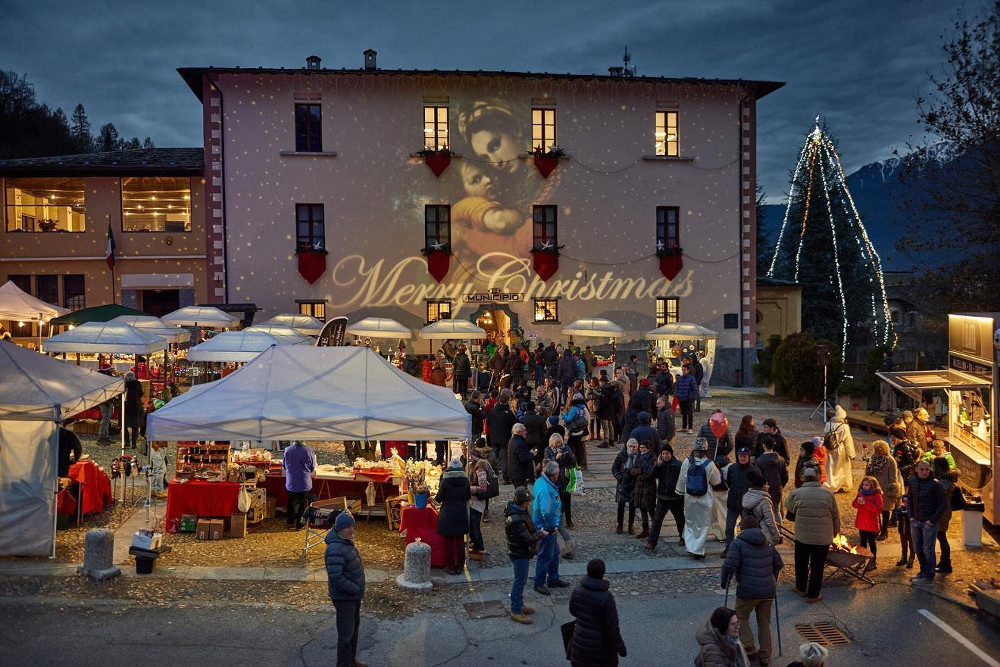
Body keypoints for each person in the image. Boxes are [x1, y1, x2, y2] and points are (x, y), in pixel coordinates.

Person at [721, 515, 783, 667]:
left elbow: (729, 566)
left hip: (748, 590)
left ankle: (748, 648)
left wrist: (724, 583)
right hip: (768, 590)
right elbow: (779, 563)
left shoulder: (738, 543)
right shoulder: (767, 542)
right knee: (764, 622)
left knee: (740, 617)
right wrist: (771, 578)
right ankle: (765, 657)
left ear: (741, 528)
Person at [785, 466, 840, 602]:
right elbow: (835, 516)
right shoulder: (828, 494)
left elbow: (789, 506)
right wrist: (835, 532)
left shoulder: (796, 493)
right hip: (822, 538)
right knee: (817, 565)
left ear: (803, 478)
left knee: (801, 563)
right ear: (818, 478)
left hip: (803, 536)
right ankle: (813, 595)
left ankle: (801, 588)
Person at [324, 511, 367, 667]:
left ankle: (351, 661)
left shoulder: (345, 541)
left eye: (352, 526)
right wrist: (354, 588)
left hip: (352, 596)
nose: (351, 530)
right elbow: (336, 577)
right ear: (339, 529)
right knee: (345, 636)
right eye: (347, 527)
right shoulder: (335, 548)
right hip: (345, 597)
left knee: (353, 631)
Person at [567, 558, 627, 666]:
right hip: (600, 650)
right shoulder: (607, 597)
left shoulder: (577, 590)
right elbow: (612, 627)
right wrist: (620, 647)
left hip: (579, 644)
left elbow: (573, 610)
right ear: (603, 573)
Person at [505, 486, 548, 624]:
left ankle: (519, 605)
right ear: (522, 502)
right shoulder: (516, 518)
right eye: (527, 501)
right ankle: (516, 610)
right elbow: (527, 539)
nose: (529, 503)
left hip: (520, 551)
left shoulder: (519, 512)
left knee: (521, 580)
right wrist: (540, 534)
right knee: (519, 581)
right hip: (519, 552)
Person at [676, 439, 722, 559]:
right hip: (704, 497)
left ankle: (690, 547)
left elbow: (681, 480)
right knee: (703, 524)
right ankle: (698, 549)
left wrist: (680, 492)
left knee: (690, 522)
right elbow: (716, 481)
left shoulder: (687, 462)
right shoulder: (709, 463)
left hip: (690, 497)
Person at [907, 459, 946, 584]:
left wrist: (932, 520)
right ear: (917, 470)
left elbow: (943, 504)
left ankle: (929, 576)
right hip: (916, 521)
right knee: (918, 548)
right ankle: (923, 571)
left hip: (928, 523)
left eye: (927, 469)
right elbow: (910, 499)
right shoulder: (913, 482)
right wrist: (911, 516)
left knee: (928, 550)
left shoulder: (935, 485)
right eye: (922, 469)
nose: (924, 472)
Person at [532, 461, 568, 593]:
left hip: (549, 525)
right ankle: (539, 582)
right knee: (545, 555)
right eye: (557, 474)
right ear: (553, 475)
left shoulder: (541, 482)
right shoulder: (546, 488)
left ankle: (553, 578)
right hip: (546, 527)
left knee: (554, 554)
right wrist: (549, 527)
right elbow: (546, 511)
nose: (558, 476)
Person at [646, 444, 685, 552]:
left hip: (675, 498)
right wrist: (656, 465)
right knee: (657, 520)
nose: (665, 456)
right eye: (663, 453)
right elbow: (651, 476)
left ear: (671, 454)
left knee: (680, 519)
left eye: (667, 453)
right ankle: (652, 541)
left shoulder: (678, 465)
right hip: (662, 497)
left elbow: (682, 480)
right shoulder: (660, 464)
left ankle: (683, 537)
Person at [436, 459, 471, 575]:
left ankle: (450, 566)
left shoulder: (445, 479)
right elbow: (468, 496)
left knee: (449, 540)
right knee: (460, 539)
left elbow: (439, 498)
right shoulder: (465, 480)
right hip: (460, 511)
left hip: (448, 512)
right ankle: (460, 566)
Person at [543, 432, 577, 555]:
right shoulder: (548, 450)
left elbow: (573, 461)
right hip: (555, 481)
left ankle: (569, 520)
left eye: (560, 442)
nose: (559, 445)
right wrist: (555, 458)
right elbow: (546, 464)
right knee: (559, 501)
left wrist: (568, 457)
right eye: (557, 443)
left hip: (566, 479)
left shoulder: (566, 447)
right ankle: (560, 518)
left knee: (568, 500)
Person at [865, 441, 899, 540]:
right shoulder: (873, 458)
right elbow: (869, 473)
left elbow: (893, 477)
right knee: (875, 510)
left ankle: (884, 530)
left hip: (885, 489)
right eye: (876, 451)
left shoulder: (891, 461)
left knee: (885, 510)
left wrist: (892, 490)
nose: (876, 454)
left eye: (879, 452)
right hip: (874, 488)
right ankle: (876, 529)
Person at [724, 447, 755, 552]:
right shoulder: (732, 468)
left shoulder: (754, 470)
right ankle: (729, 548)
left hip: (747, 505)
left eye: (745, 456)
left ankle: (746, 549)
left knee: (746, 529)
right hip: (733, 503)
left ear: (748, 457)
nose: (742, 458)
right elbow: (729, 482)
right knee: (729, 528)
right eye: (741, 456)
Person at [932, 456, 958, 575]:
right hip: (945, 511)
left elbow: (938, 495)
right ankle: (944, 562)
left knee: (941, 537)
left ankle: (946, 563)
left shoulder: (944, 481)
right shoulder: (948, 478)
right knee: (941, 536)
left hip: (942, 512)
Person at [283, 440, 317, 530]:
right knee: (303, 503)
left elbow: (284, 466)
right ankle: (300, 524)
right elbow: (312, 467)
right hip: (304, 482)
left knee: (291, 502)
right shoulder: (309, 451)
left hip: (291, 482)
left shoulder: (287, 450)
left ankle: (290, 522)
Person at [742, 467, 780, 546]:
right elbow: (769, 520)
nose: (768, 486)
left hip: (748, 532)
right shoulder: (764, 500)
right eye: (766, 484)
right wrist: (776, 536)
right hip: (763, 533)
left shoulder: (746, 496)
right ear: (761, 487)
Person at [851, 476, 883, 571]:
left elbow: (878, 509)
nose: (864, 487)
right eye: (863, 484)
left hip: (871, 523)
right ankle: (862, 559)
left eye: (867, 485)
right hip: (862, 522)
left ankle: (873, 560)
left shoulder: (877, 495)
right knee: (862, 542)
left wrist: (865, 503)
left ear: (872, 485)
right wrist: (858, 502)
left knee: (872, 542)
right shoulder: (860, 493)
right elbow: (854, 505)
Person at [755, 436, 788, 523]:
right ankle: (779, 531)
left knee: (764, 511)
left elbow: (758, 478)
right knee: (776, 511)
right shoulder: (781, 460)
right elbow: (785, 476)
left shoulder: (759, 461)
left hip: (764, 490)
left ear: (763, 446)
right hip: (777, 488)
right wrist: (781, 485)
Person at [824, 405, 856, 493]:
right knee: (840, 468)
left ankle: (829, 484)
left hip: (829, 448)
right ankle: (839, 485)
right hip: (840, 448)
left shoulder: (828, 424)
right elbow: (848, 441)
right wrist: (851, 454)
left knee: (830, 467)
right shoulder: (844, 427)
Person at [487, 389, 517, 482]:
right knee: (504, 458)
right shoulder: (508, 413)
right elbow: (514, 425)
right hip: (505, 438)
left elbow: (488, 422)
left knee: (493, 457)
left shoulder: (493, 411)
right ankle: (505, 477)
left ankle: (490, 475)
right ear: (507, 401)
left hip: (494, 437)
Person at [630, 440, 658, 539]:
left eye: (644, 447)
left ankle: (655, 530)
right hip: (640, 487)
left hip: (649, 487)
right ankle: (645, 530)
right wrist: (640, 471)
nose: (642, 449)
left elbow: (651, 473)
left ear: (649, 448)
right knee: (642, 509)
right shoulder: (639, 456)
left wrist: (640, 476)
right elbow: (632, 470)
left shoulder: (653, 458)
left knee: (651, 509)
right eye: (641, 447)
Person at [612, 439, 639, 534]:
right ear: (627, 446)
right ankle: (620, 524)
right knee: (621, 505)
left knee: (632, 506)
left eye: (634, 447)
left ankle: (630, 525)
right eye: (630, 446)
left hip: (633, 484)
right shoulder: (621, 455)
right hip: (622, 484)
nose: (632, 448)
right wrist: (620, 478)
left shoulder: (639, 457)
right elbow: (614, 468)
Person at [469, 456, 493, 561]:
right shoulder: (477, 468)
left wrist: (468, 488)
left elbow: (483, 488)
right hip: (474, 502)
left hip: (477, 502)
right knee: (472, 524)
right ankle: (476, 545)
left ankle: (480, 547)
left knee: (475, 525)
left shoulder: (480, 470)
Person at [561, 393, 589, 471]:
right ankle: (579, 464)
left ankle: (569, 464)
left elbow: (569, 419)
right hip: (581, 431)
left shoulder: (574, 408)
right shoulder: (583, 407)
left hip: (574, 432)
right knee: (578, 449)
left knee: (569, 448)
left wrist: (564, 416)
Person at [506, 423, 537, 489]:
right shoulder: (519, 443)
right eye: (524, 430)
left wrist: (529, 453)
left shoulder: (513, 440)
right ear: (520, 432)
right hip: (519, 473)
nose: (526, 432)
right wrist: (532, 454)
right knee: (522, 494)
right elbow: (523, 458)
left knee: (519, 493)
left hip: (514, 472)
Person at [123, 371, 144, 449]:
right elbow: (141, 394)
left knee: (124, 425)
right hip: (136, 408)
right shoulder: (138, 385)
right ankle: (134, 443)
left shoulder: (125, 385)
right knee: (135, 426)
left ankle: (127, 442)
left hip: (126, 408)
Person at [675, 365, 699, 433]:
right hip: (681, 398)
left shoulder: (691, 378)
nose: (683, 371)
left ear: (688, 370)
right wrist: (678, 395)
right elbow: (678, 388)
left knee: (690, 413)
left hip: (688, 398)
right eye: (682, 369)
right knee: (683, 413)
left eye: (684, 369)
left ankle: (690, 428)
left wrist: (690, 396)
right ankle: (684, 427)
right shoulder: (680, 379)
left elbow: (694, 389)